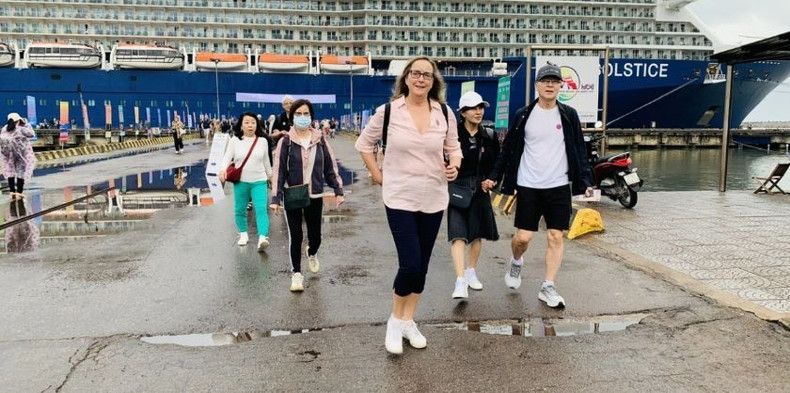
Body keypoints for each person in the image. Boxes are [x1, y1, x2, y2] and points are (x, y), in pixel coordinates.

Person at [355, 56, 462, 355]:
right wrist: (378, 176)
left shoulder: (444, 112)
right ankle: (394, 320)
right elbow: (364, 145)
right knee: (410, 263)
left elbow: (454, 148)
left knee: (422, 266)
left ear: (434, 81)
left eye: (427, 75)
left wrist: (454, 165)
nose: (421, 79)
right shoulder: (388, 111)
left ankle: (408, 320)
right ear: (406, 78)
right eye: (416, 73)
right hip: (400, 197)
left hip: (434, 196)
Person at [482, 63, 594, 308]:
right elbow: (508, 150)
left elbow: (578, 150)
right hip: (528, 184)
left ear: (561, 86)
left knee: (556, 235)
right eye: (546, 81)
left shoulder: (569, 115)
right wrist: (494, 176)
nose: (550, 85)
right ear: (537, 86)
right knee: (523, 237)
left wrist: (585, 180)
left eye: (555, 81)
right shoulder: (523, 114)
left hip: (558, 185)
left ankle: (548, 286)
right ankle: (516, 261)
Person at [270, 99, 344, 293]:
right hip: (293, 194)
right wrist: (276, 199)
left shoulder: (320, 139)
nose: (302, 117)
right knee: (296, 234)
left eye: (306, 114)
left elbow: (330, 166)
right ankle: (296, 274)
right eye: (298, 114)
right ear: (292, 117)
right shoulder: (285, 141)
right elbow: (278, 171)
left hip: (315, 194)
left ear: (311, 116)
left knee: (315, 236)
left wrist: (338, 190)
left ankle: (312, 252)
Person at [447, 91, 501, 299]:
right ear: (462, 112)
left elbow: (497, 162)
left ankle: (471, 272)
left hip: (479, 188)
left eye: (481, 107)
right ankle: (460, 280)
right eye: (473, 108)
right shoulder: (452, 136)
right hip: (457, 188)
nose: (479, 112)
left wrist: (492, 179)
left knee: (476, 234)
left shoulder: (488, 135)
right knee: (458, 235)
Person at [218, 111, 274, 251]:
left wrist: (271, 175)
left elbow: (266, 161)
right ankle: (243, 234)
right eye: (247, 122)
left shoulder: (262, 141)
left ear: (257, 125)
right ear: (241, 125)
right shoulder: (234, 141)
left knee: (261, 209)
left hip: (259, 181)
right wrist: (222, 169)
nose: (250, 125)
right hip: (241, 181)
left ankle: (262, 237)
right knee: (240, 209)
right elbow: (226, 157)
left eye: (253, 122)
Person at [1, 113, 36, 200]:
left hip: (9, 155)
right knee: (21, 171)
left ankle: (12, 191)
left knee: (10, 171)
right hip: (21, 154)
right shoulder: (21, 129)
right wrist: (26, 124)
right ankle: (19, 192)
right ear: (18, 120)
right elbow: (31, 134)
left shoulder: (5, 129)